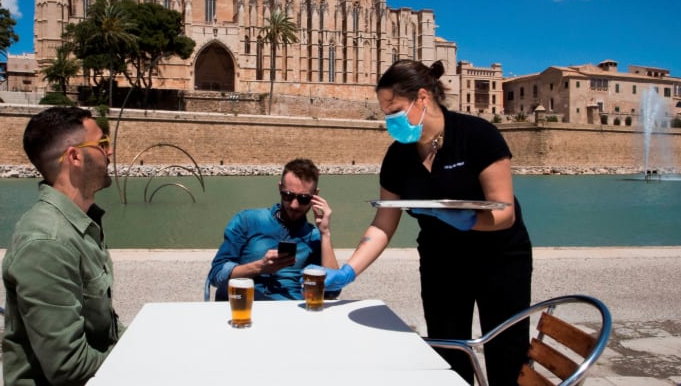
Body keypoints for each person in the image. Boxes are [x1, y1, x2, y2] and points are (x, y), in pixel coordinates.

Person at [316, 60, 533, 385]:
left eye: (395, 110)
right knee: (449, 352)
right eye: (385, 112)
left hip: (500, 259)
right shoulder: (397, 157)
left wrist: (468, 219)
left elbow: (505, 214)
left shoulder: (478, 135)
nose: (390, 120)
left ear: (422, 98)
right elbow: (382, 224)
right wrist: (349, 271)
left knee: (506, 353)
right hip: (440, 262)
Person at [2, 106, 124, 385]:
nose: (110, 152)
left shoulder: (78, 225)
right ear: (75, 156)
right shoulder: (47, 243)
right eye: (102, 144)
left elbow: (104, 331)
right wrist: (139, 356)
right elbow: (69, 367)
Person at [208, 158, 339, 300]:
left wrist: (325, 233)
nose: (294, 205)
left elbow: (333, 291)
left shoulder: (313, 236)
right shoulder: (247, 220)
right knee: (226, 290)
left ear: (315, 196)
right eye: (288, 195)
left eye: (303, 199)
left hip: (290, 309)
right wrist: (259, 267)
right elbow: (216, 275)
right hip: (249, 303)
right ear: (280, 188)